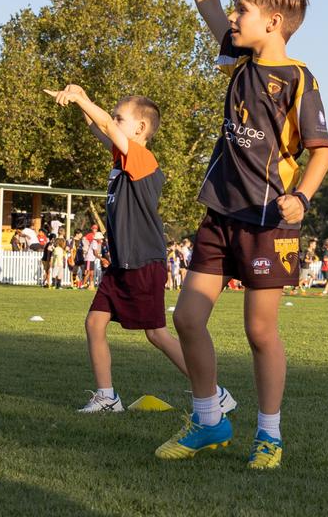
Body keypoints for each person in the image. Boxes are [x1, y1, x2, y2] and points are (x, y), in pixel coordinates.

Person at [158, 0, 328, 469]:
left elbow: (321, 151)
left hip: (267, 223)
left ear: (274, 21)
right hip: (220, 214)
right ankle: (209, 421)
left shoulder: (299, 79)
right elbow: (206, 2)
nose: (232, 18)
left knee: (259, 331)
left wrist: (300, 197)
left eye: (243, 11)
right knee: (187, 319)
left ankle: (270, 435)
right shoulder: (238, 59)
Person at [48, 84, 237, 417]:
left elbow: (104, 125)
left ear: (141, 129)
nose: (113, 121)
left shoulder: (142, 158)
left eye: (121, 117)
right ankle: (107, 397)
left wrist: (83, 98)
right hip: (122, 263)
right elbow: (99, 128)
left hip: (143, 261)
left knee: (157, 334)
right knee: (94, 323)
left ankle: (215, 392)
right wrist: (80, 101)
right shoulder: (122, 157)